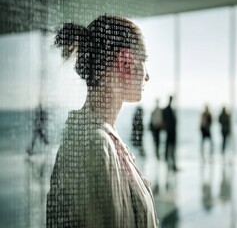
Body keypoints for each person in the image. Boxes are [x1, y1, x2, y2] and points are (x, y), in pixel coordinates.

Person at [46, 16, 158, 227]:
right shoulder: (95, 145)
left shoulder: (97, 138)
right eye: (145, 61)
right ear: (124, 62)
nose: (147, 76)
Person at [163, 96, 178, 171]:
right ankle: (170, 163)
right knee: (170, 148)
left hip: (170, 132)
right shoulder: (169, 110)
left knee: (169, 147)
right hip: (170, 132)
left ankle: (168, 162)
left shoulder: (167, 109)